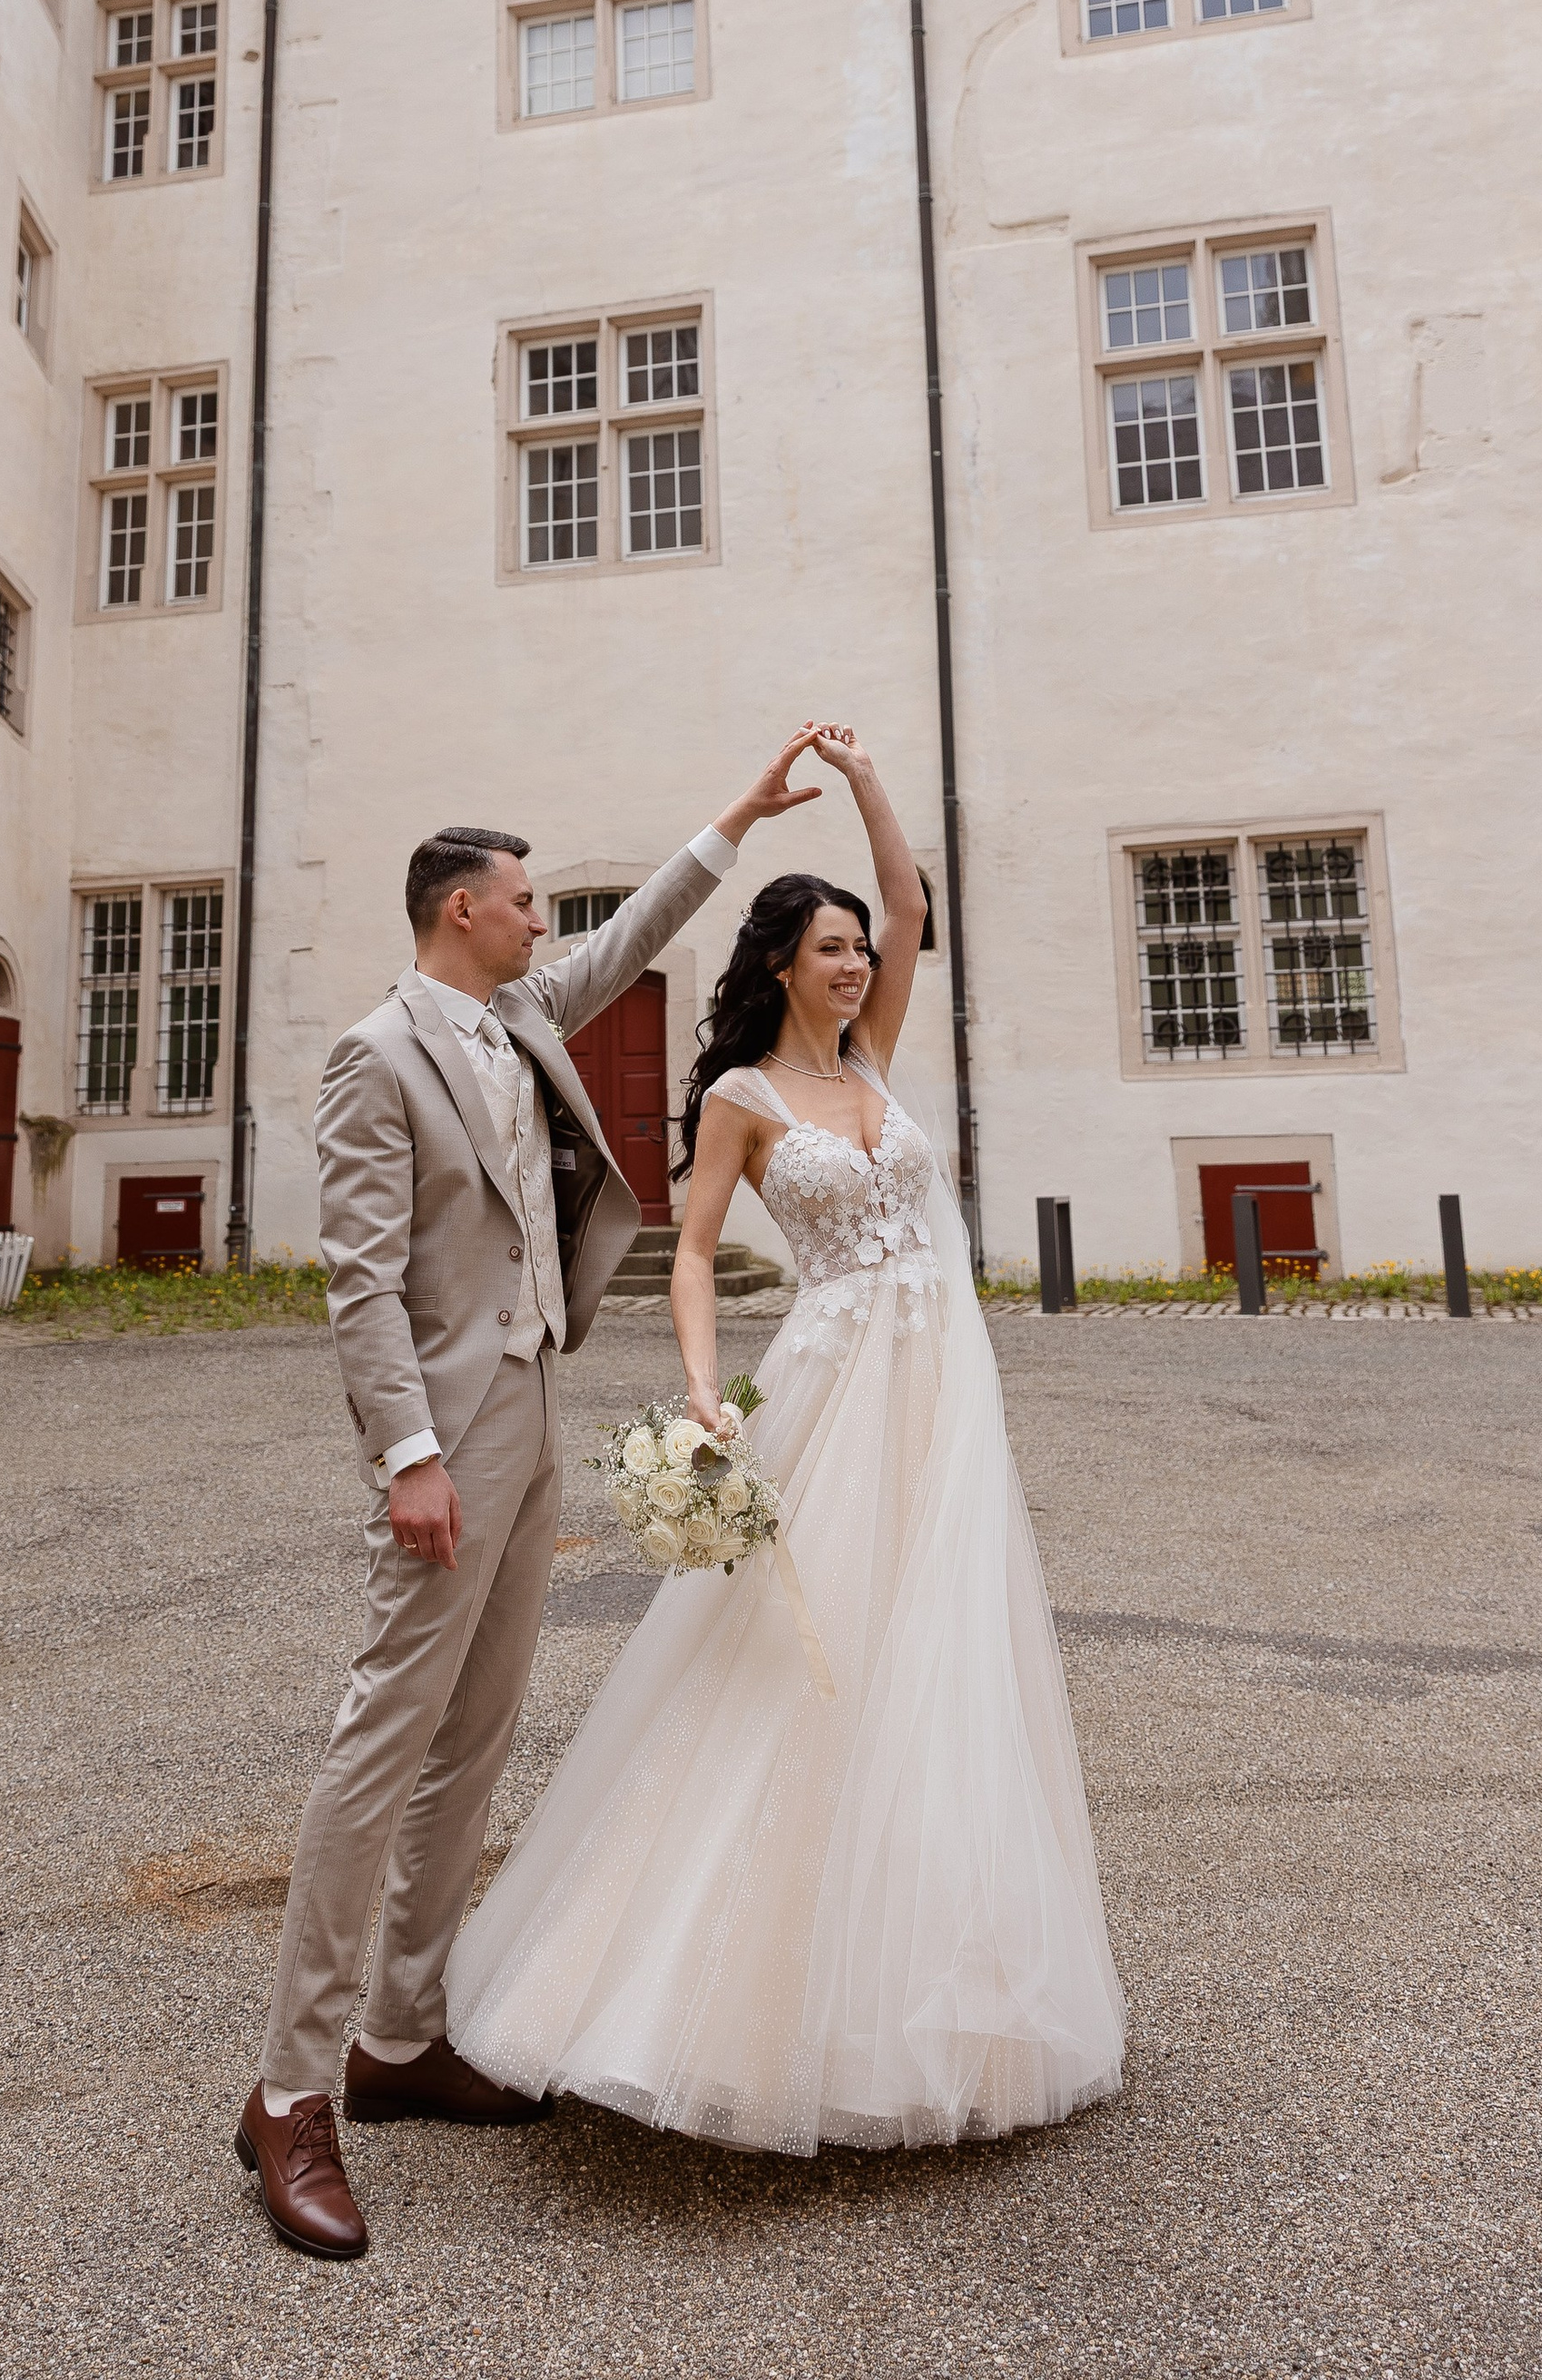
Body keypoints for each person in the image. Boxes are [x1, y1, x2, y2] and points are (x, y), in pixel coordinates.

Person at [443, 725, 1126, 2154]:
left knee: (938, 1656)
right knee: (794, 1661)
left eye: (862, 949)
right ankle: (711, 1994)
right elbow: (690, 1256)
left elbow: (915, 901)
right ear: (777, 967)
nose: (859, 963)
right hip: (828, 1378)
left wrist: (872, 779)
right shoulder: (745, 1100)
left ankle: (948, 1984)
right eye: (831, 949)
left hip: (940, 1389)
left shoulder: (876, 1056)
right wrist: (702, 1389)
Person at [236, 730, 830, 2258]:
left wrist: (736, 820)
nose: (541, 923)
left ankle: (403, 2037)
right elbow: (358, 1279)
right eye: (520, 903)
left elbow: (634, 938)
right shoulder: (382, 1052)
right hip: (448, 1427)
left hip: (536, 1399)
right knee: (384, 1740)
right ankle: (289, 2093)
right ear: (457, 913)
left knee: (478, 1735)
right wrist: (409, 1457)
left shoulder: (518, 1016)